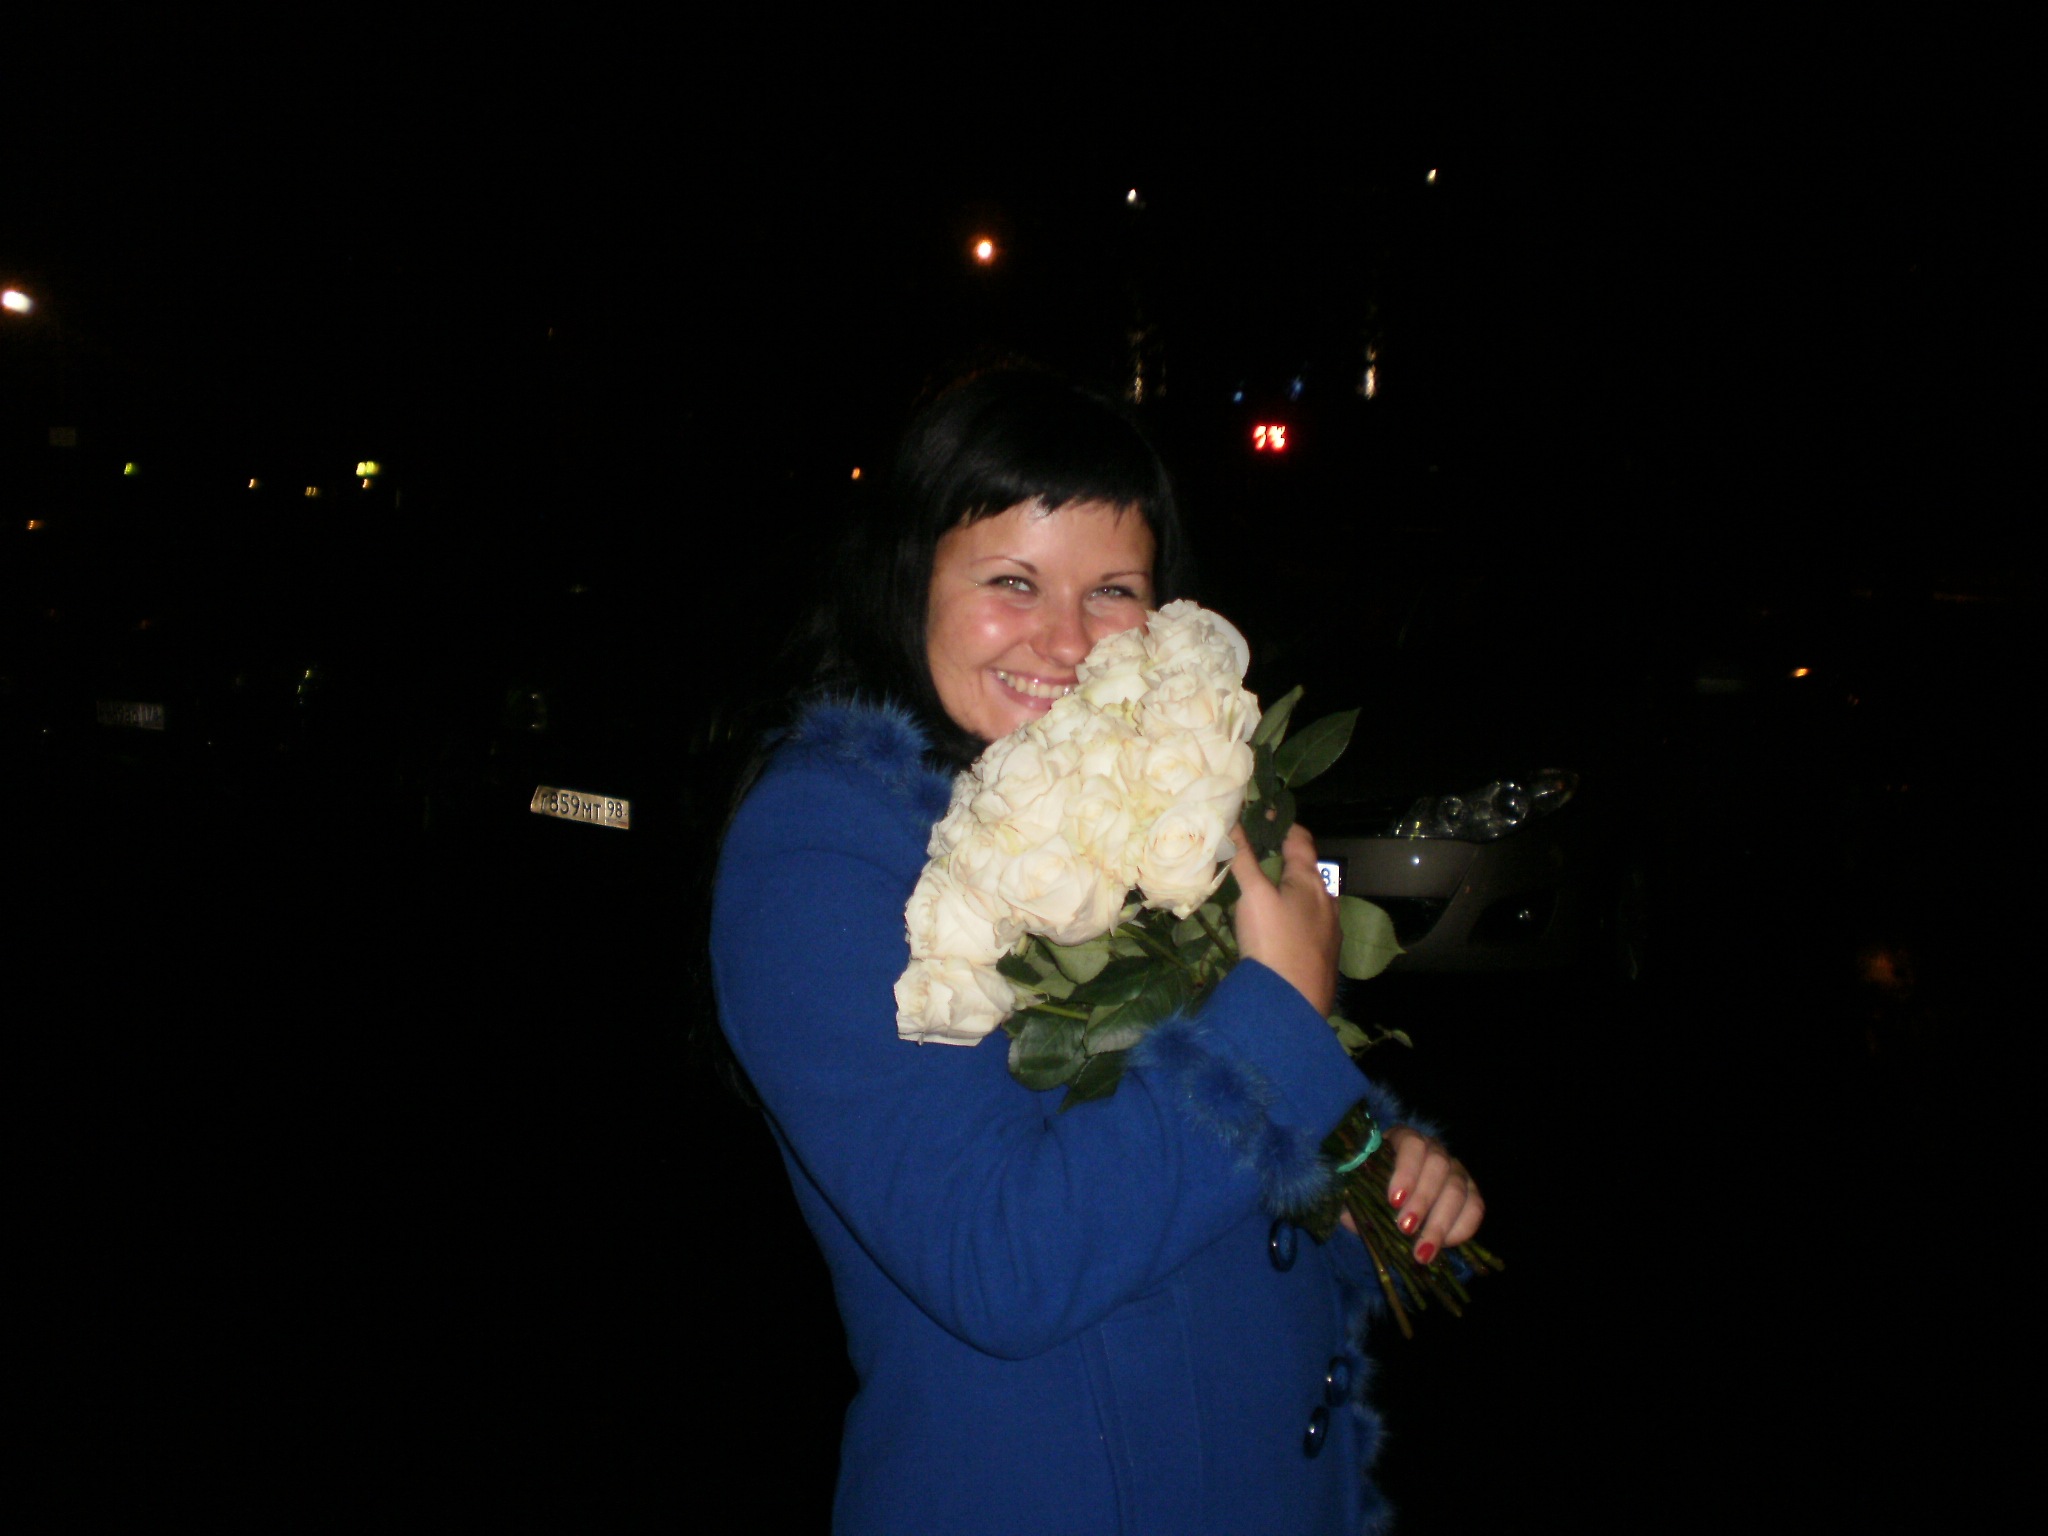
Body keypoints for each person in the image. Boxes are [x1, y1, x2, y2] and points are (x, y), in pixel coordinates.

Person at [710, 368, 1483, 1535]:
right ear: (908, 576)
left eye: (1111, 590)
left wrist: (1356, 1164)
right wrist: (1279, 1016)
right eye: (1011, 582)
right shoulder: (823, 851)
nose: (1067, 642)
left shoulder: (1133, 789)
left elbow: (1216, 1138)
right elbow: (1000, 1261)